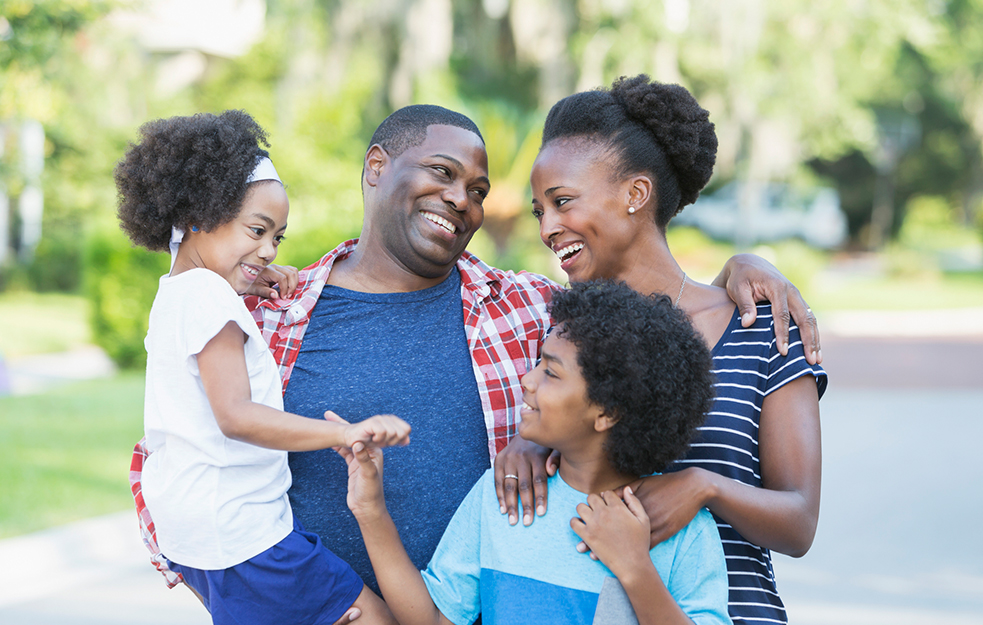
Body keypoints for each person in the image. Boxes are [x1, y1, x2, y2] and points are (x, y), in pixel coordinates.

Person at [129, 104, 821, 614]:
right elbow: (171, 455)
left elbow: (642, 328)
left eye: (480, 190)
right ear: (377, 168)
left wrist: (745, 266)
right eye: (442, 172)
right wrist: (248, 587)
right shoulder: (264, 309)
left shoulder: (529, 305)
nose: (462, 199)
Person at [505, 74, 827, 624]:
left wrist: (703, 487)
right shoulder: (560, 332)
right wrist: (531, 445)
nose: (548, 227)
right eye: (540, 211)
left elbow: (798, 523)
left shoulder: (758, 326)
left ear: (635, 194)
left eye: (562, 202)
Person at [115, 110, 410, 625]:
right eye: (258, 229)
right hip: (244, 536)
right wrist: (343, 434)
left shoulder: (178, 292)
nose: (269, 248)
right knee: (377, 618)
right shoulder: (210, 299)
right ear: (202, 213)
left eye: (278, 237)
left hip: (198, 534)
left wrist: (251, 273)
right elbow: (236, 415)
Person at [344, 280, 731, 625]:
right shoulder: (503, 494)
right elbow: (431, 618)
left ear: (607, 411)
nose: (527, 380)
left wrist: (634, 568)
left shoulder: (683, 529)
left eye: (551, 371)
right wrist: (371, 510)